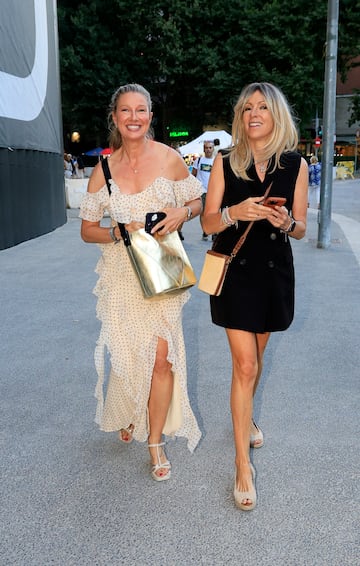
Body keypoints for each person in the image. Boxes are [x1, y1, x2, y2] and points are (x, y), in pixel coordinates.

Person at [80, 83, 202, 481]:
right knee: (129, 355)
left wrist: (182, 212)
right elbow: (86, 230)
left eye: (141, 110)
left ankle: (155, 442)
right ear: (114, 117)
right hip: (121, 275)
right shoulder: (104, 169)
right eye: (125, 110)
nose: (134, 117)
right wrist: (118, 232)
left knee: (163, 358)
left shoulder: (169, 158)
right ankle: (130, 410)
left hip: (162, 267)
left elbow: (197, 201)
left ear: (150, 116)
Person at [201, 82, 308, 510]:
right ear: (240, 118)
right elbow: (208, 223)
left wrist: (284, 222)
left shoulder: (295, 164)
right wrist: (234, 212)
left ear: (276, 114)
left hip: (274, 274)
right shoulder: (224, 161)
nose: (254, 114)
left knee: (256, 361)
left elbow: (301, 228)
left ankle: (246, 420)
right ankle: (242, 465)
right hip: (236, 272)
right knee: (244, 364)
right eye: (247, 108)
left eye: (262, 107)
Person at [192, 140, 215, 240]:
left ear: (213, 149)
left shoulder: (216, 161)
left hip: (213, 191)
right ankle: (205, 231)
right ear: (204, 149)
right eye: (206, 147)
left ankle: (214, 232)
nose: (208, 150)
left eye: (210, 147)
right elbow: (193, 174)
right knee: (203, 213)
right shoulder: (199, 160)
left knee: (214, 212)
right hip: (201, 191)